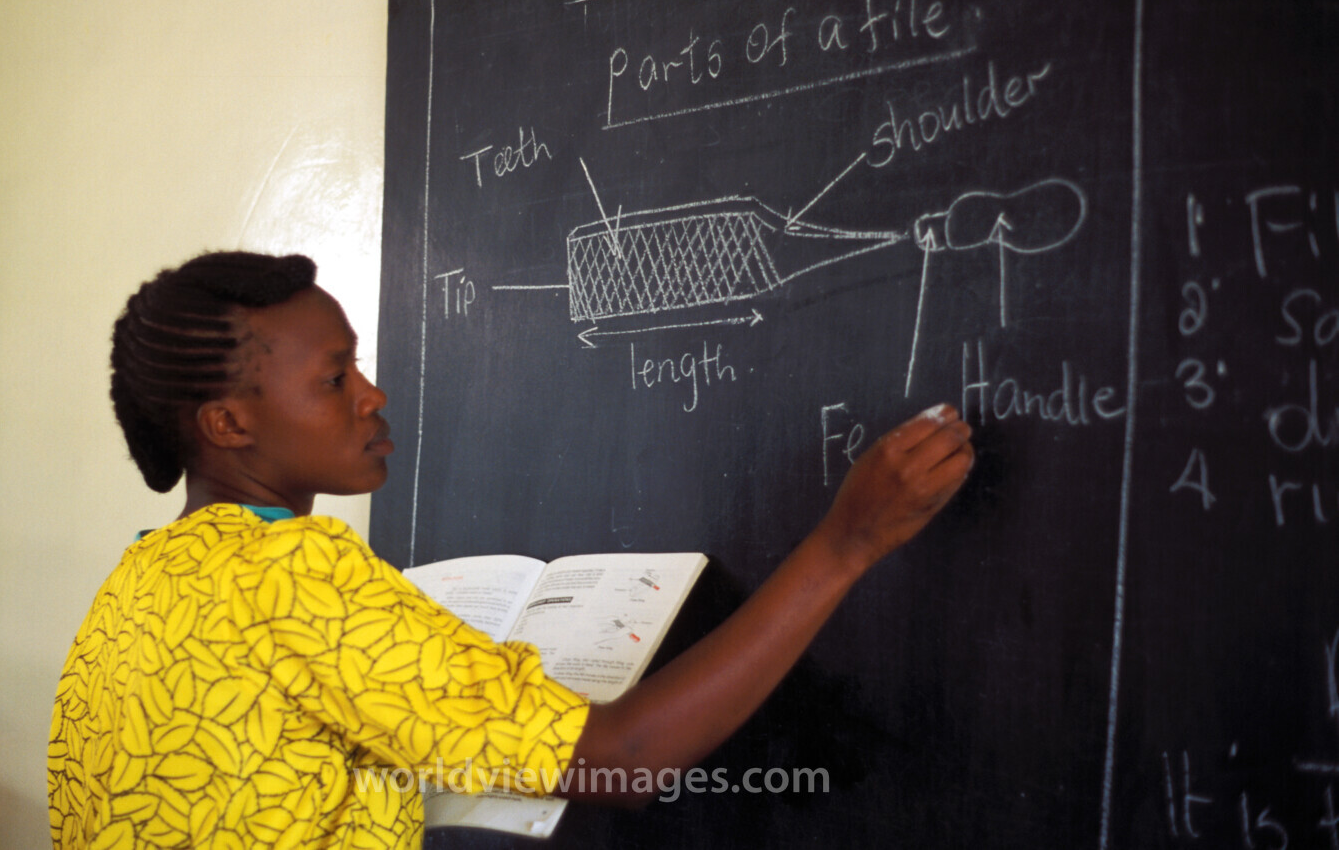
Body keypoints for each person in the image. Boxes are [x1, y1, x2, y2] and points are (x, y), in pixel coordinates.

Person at [48, 250, 973, 850]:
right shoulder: (292, 572)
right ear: (228, 422)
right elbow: (623, 757)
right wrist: (847, 543)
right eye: (334, 379)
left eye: (357, 363)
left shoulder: (136, 585)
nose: (371, 394)